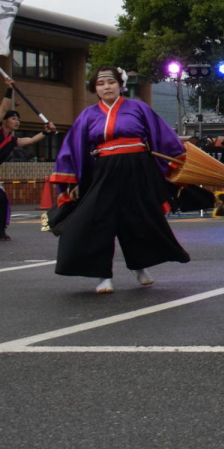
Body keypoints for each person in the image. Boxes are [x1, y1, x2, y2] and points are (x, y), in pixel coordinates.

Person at [49, 66, 189, 293]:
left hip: (138, 169)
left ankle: (140, 266)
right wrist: (72, 181)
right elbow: (72, 149)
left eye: (111, 83)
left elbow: (163, 136)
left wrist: (175, 163)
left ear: (120, 85)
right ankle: (102, 275)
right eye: (101, 84)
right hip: (104, 170)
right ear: (95, 89)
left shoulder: (139, 108)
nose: (106, 87)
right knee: (97, 220)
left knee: (138, 219)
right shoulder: (88, 115)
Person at [0, 79, 56, 241]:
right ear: (4, 121)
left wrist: (46, 132)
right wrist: (10, 90)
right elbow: (3, 108)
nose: (17, 121)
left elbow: (30, 140)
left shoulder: (12, 140)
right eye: (13, 118)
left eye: (18, 119)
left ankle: (1, 231)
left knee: (2, 200)